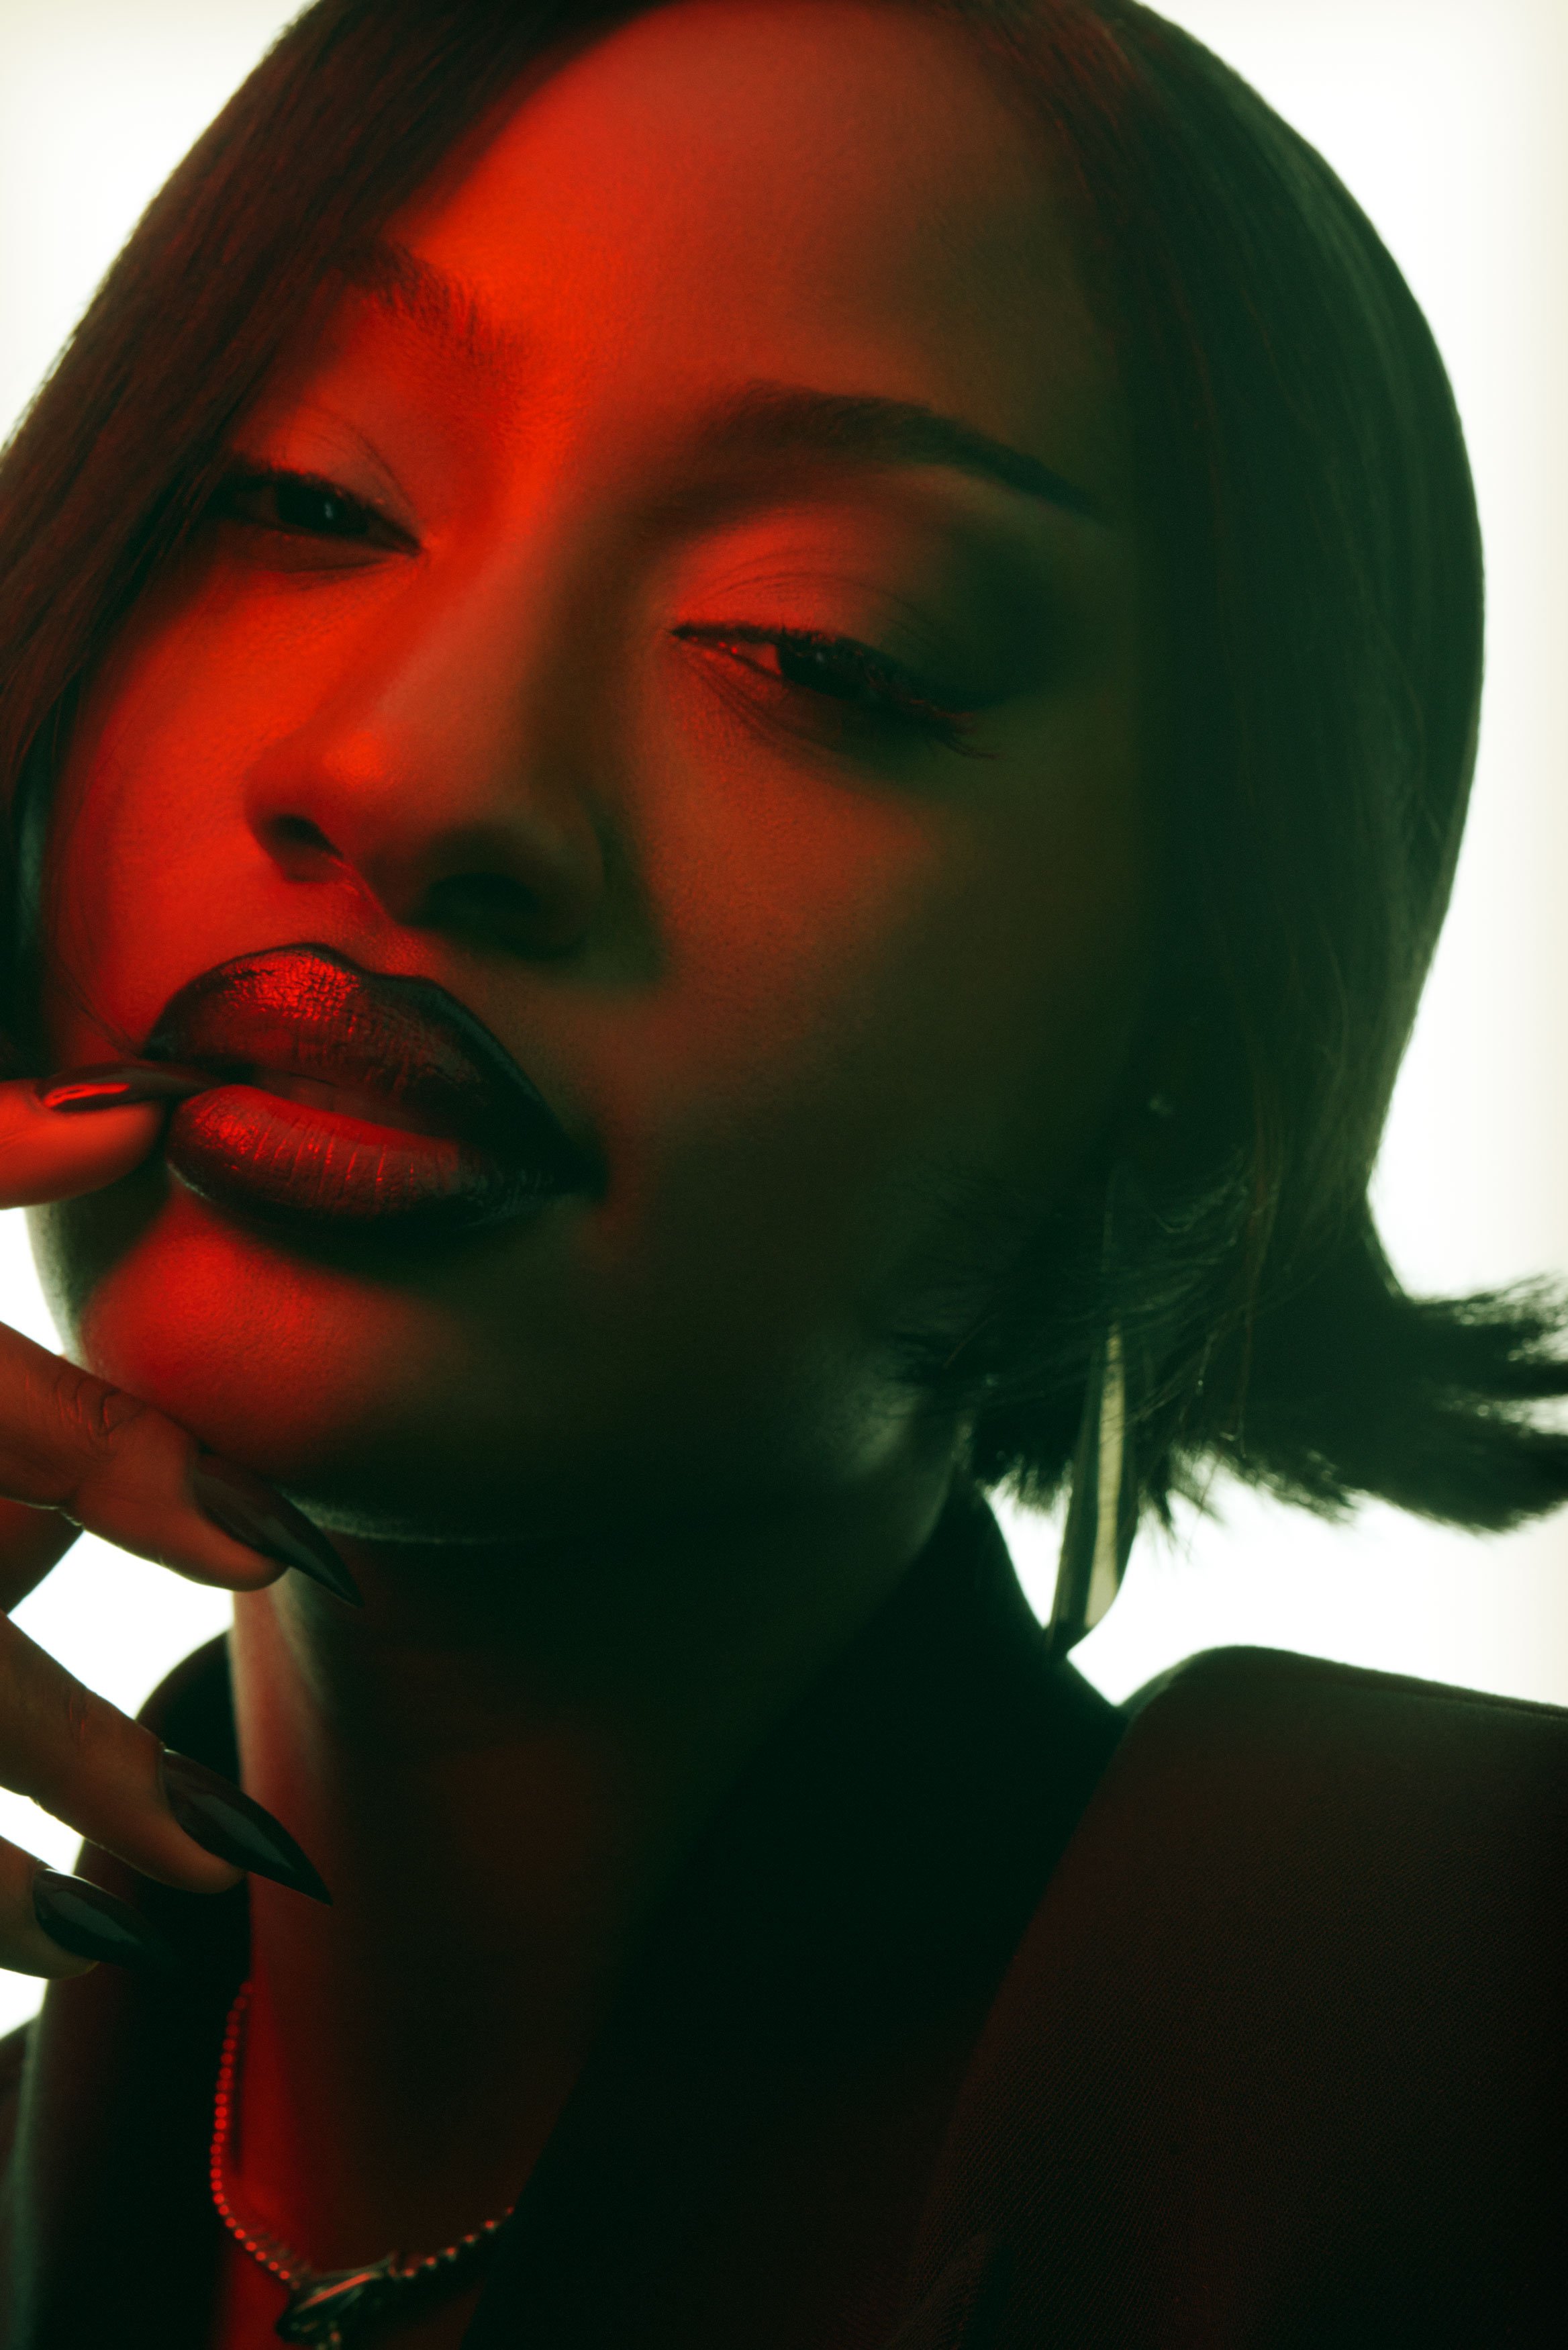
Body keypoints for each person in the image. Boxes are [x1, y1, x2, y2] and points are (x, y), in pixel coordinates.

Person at [0, 1, 1562, 2343]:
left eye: (821, 647)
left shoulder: (1454, 2028)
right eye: (301, 496)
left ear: (1197, 1052)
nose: (421, 775)